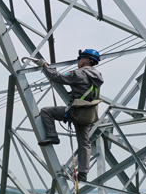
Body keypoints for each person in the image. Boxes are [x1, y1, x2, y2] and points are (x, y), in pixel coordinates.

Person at [36, 49, 103, 183]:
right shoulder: (97, 76)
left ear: (87, 60)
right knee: (85, 143)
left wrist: (44, 66)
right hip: (88, 114)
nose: (78, 61)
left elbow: (58, 78)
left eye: (80, 59)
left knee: (46, 111)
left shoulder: (80, 73)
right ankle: (83, 173)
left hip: (76, 111)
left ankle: (53, 137)